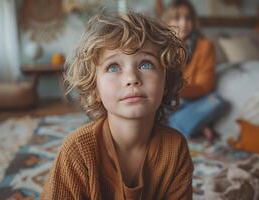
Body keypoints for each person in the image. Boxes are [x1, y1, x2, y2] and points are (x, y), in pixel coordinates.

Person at [42, 12, 194, 199]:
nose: (131, 78)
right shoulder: (77, 151)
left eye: (146, 64)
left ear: (166, 81)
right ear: (94, 88)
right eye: (113, 67)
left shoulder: (175, 148)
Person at [155, 0, 224, 141]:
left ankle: (174, 127)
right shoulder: (158, 46)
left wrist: (178, 89)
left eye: (188, 18)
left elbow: (205, 85)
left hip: (192, 99)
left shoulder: (205, 46)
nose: (183, 23)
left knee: (216, 101)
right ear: (167, 21)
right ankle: (192, 125)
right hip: (167, 102)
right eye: (177, 18)